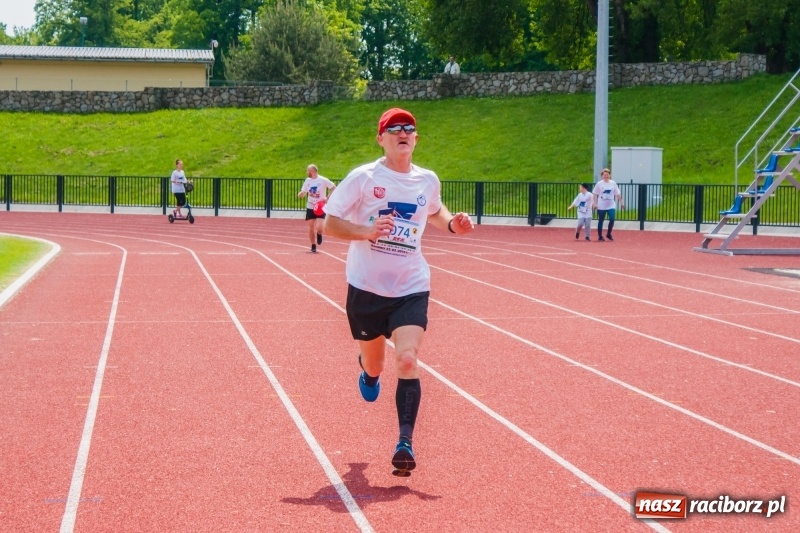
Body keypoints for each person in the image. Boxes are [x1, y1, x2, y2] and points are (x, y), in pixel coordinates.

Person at [323, 107, 474, 477]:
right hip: (367, 289)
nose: (403, 132)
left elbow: (436, 213)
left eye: (409, 128)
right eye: (394, 128)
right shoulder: (363, 178)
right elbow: (330, 224)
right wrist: (367, 231)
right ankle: (368, 373)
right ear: (381, 138)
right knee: (375, 363)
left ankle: (404, 442)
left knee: (406, 360)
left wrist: (453, 225)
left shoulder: (427, 180)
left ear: (416, 139)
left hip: (411, 286)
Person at [298, 164, 336, 253]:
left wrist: (327, 198)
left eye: (308, 171)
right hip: (311, 205)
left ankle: (319, 233)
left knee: (319, 227)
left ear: (312, 171)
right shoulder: (307, 180)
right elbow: (304, 191)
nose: (307, 172)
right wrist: (301, 194)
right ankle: (313, 245)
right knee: (311, 226)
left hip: (320, 206)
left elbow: (333, 187)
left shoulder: (323, 180)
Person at [592, 168, 624, 241]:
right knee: (601, 220)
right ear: (602, 176)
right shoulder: (599, 184)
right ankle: (600, 236)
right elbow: (594, 194)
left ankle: (609, 234)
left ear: (610, 175)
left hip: (611, 204)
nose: (606, 176)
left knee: (612, 219)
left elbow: (618, 194)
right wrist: (594, 204)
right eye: (604, 175)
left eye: (607, 174)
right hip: (601, 204)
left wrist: (622, 202)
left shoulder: (613, 183)